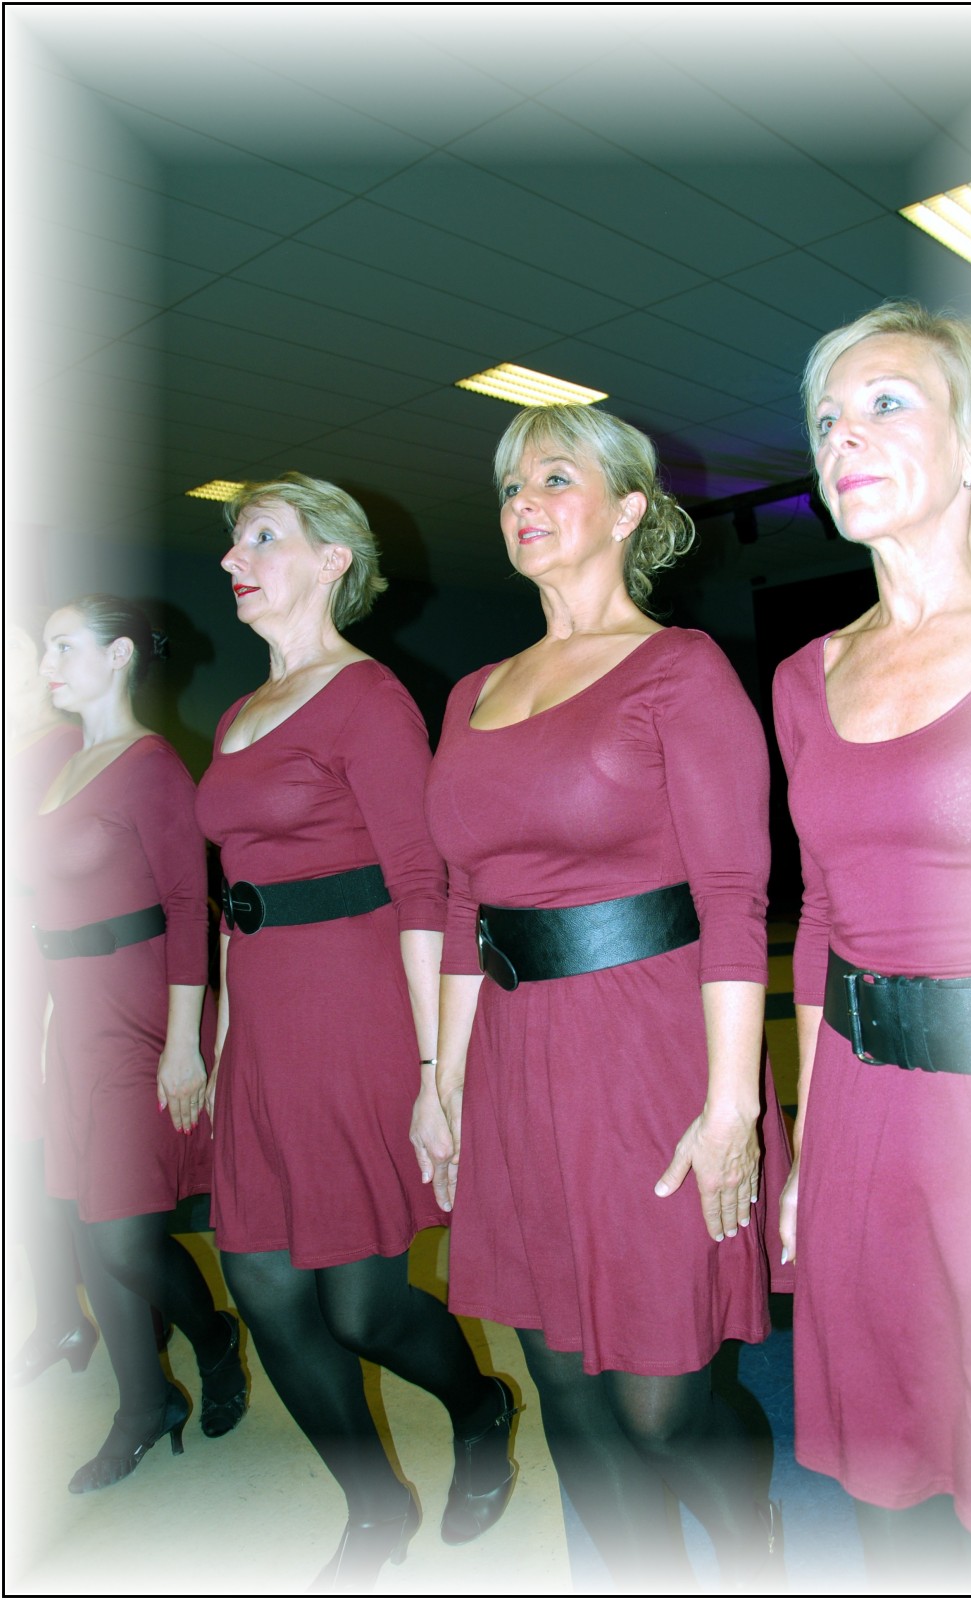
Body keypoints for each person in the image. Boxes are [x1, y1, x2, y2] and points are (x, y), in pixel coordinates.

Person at [426, 403, 793, 1590]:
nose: (523, 503)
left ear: (630, 509)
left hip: (650, 1054)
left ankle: (750, 1540)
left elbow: (734, 897)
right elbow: (465, 904)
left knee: (659, 1402)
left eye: (553, 477)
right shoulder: (472, 692)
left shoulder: (679, 669)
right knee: (562, 1380)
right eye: (509, 486)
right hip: (516, 1059)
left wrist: (732, 1108)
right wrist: (442, 1084)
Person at [773, 301, 971, 1588]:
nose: (844, 435)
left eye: (887, 403)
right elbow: (825, 919)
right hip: (864, 1111)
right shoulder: (805, 677)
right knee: (887, 1447)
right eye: (828, 417)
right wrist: (806, 1145)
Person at [195, 472, 517, 1592]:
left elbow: (425, 885)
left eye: (262, 537)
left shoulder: (370, 698)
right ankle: (373, 1505)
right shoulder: (239, 715)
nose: (235, 558)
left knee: (362, 1303)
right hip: (264, 1026)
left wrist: (436, 1071)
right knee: (263, 1283)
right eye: (233, 540)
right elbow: (235, 894)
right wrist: (222, 1044)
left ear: (333, 560)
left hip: (355, 1014)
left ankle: (481, 1406)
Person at [32, 596, 247, 1493]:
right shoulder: (54, 760)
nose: (47, 663)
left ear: (119, 656)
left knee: (121, 1234)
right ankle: (142, 1404)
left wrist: (183, 1044)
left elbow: (191, 904)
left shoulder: (152, 765)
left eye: (63, 646)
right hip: (70, 1018)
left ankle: (213, 1338)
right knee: (85, 1223)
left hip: (141, 1014)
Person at [7, 624, 91, 1384]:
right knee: (24, 1162)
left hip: (43, 964)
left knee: (53, 1158)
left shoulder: (64, 746)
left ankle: (197, 1331)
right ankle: (60, 1316)